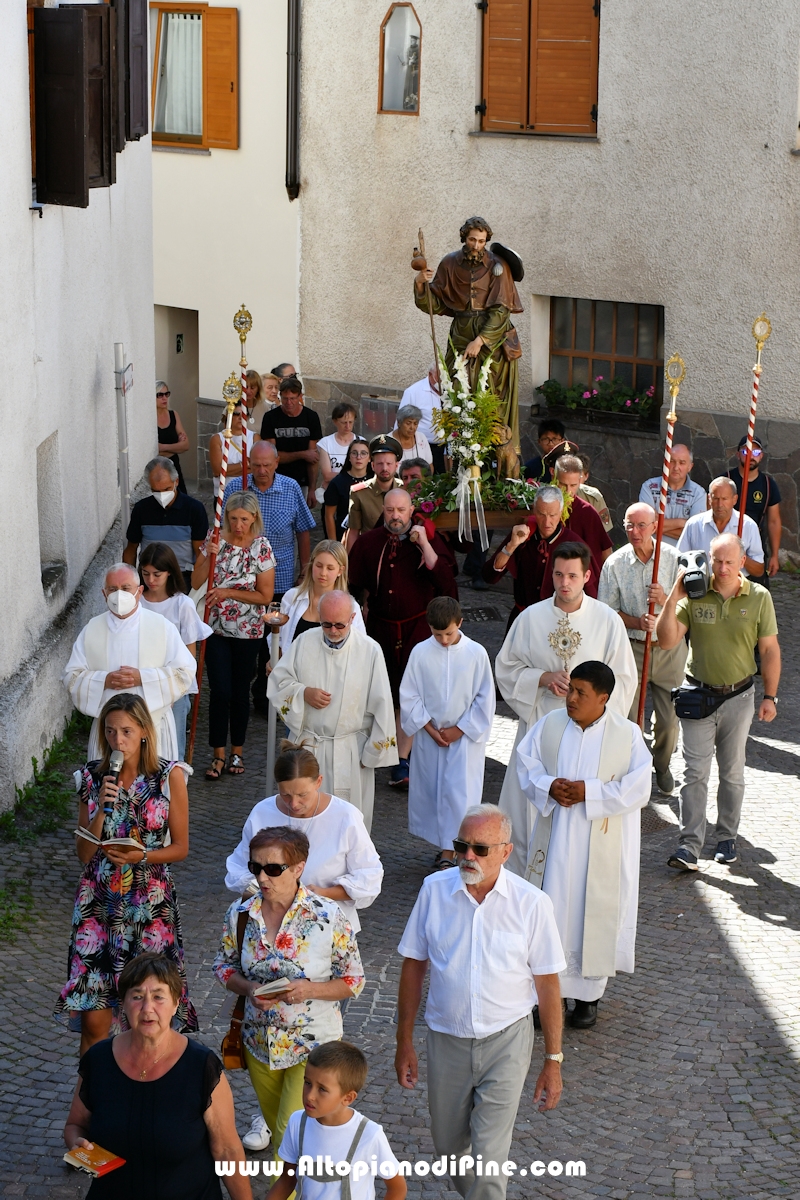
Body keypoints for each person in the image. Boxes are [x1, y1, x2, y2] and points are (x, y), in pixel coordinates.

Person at [395, 804, 565, 1200]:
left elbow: (548, 985)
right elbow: (413, 965)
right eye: (461, 846)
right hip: (446, 1039)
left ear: (506, 852)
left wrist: (553, 1060)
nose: (467, 856)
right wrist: (404, 1040)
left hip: (507, 1041)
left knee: (489, 1158)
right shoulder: (433, 891)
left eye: (480, 849)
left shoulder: (532, 904)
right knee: (449, 1149)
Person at [225, 744, 383, 1155]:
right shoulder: (263, 813)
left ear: (319, 783)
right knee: (275, 1075)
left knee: (312, 1055)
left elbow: (370, 877)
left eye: (302, 796)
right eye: (285, 795)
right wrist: (266, 890)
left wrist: (312, 894)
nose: (293, 805)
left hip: (321, 935)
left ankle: (304, 1131)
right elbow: (237, 867)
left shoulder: (345, 817)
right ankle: (278, 1120)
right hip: (268, 932)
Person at [214, 826, 365, 1165]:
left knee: (287, 1134)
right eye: (255, 867)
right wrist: (249, 988)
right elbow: (223, 967)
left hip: (312, 1047)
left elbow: (353, 979)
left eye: (273, 868)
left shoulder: (328, 915)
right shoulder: (240, 915)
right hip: (259, 1043)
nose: (262, 877)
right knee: (291, 1140)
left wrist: (307, 989)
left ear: (299, 867)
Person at [55, 696, 196, 1052]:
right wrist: (102, 807)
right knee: (94, 1020)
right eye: (111, 731)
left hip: (149, 905)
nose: (118, 740)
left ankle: (144, 1093)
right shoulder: (91, 776)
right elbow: (84, 853)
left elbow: (181, 847)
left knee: (149, 1017)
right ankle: (92, 1102)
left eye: (127, 731)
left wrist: (142, 854)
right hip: (98, 905)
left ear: (145, 732)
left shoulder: (169, 776)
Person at [516, 662, 652, 1029]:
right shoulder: (550, 724)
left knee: (591, 915)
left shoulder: (627, 735)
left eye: (581, 693)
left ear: (603, 699)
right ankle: (549, 993)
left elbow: (639, 788)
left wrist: (588, 792)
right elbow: (525, 764)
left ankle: (588, 997)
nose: (571, 697)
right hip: (556, 840)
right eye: (571, 689)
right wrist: (548, 785)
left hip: (602, 847)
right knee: (553, 911)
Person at [495, 543, 637, 876]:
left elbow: (624, 679)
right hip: (541, 722)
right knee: (531, 806)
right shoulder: (531, 617)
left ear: (587, 576)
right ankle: (525, 877)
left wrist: (594, 716)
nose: (565, 583)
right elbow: (506, 667)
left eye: (573, 575)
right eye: (559, 574)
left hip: (588, 733)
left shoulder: (607, 621)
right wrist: (541, 678)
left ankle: (570, 874)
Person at [64, 953, 251, 1200]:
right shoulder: (98, 1060)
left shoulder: (201, 1067)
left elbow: (227, 1151)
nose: (147, 1008)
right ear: (124, 1003)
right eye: (137, 996)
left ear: (175, 1003)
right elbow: (75, 1125)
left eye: (158, 997)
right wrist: (77, 1144)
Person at [655, 532, 780, 871]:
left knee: (732, 773)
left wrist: (770, 696)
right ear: (708, 559)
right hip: (697, 695)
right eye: (717, 561)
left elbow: (769, 650)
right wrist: (673, 596)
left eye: (729, 562)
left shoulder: (758, 596)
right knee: (694, 772)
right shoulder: (695, 593)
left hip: (740, 697)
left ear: (742, 561)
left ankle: (726, 837)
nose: (722, 569)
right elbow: (665, 641)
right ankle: (689, 846)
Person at [348, 489, 458, 788]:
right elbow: (352, 586)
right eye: (389, 511)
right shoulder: (370, 543)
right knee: (382, 692)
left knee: (413, 694)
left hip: (417, 630)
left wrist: (424, 544)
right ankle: (377, 748)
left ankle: (402, 759)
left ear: (411, 510)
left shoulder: (428, 541)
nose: (395, 516)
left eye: (401, 510)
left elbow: (447, 584)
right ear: (383, 511)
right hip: (380, 629)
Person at [268, 592, 397, 830]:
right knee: (303, 818)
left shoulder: (370, 650)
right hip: (308, 747)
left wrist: (371, 754)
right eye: (326, 624)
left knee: (346, 825)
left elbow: (383, 705)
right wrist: (303, 693)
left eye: (340, 624)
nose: (333, 631)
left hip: (350, 750)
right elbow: (278, 682)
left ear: (353, 618)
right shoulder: (304, 642)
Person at [63, 563, 196, 760]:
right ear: (103, 593)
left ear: (139, 591)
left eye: (125, 588)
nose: (119, 595)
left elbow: (184, 672)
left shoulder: (161, 627)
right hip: (108, 732)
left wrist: (142, 678)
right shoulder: (92, 629)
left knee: (151, 787)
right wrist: (105, 680)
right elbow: (72, 678)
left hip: (151, 726)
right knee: (108, 787)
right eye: (112, 589)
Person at [414, 215, 524, 452]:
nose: (476, 245)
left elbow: (501, 309)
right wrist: (421, 284)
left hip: (493, 338)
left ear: (487, 241)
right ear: (464, 237)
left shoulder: (499, 266)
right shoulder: (450, 264)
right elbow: (438, 305)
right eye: (472, 239)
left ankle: (494, 451)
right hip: (461, 332)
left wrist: (481, 340)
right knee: (458, 390)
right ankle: (462, 450)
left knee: (491, 395)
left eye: (481, 241)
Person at [400, 597, 495, 870]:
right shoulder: (420, 652)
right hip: (431, 738)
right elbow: (410, 694)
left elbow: (484, 698)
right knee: (432, 792)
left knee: (459, 794)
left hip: (463, 740)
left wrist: (458, 730)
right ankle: (444, 845)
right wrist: (429, 728)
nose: (442, 640)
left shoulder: (476, 654)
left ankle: (454, 849)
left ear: (460, 623)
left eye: (449, 633)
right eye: (437, 633)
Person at [598, 502, 686, 795]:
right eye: (630, 526)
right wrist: (637, 620)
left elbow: (689, 606)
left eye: (641, 526)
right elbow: (606, 611)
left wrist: (664, 599)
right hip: (632, 649)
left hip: (668, 649)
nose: (635, 532)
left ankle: (661, 765)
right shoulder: (615, 564)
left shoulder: (673, 559)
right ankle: (632, 771)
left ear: (654, 527)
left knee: (669, 722)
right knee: (628, 718)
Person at [223, 440, 316, 710]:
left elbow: (303, 529)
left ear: (276, 463)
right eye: (256, 465)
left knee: (271, 639)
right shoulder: (234, 487)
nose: (261, 470)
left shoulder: (290, 488)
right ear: (249, 464)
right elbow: (222, 532)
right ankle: (238, 691)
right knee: (240, 638)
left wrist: (305, 568)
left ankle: (265, 695)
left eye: (267, 465)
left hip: (281, 576)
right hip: (239, 578)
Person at [191, 491, 276, 779]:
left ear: (254, 518)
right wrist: (207, 555)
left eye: (244, 519)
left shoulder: (261, 547)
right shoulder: (215, 538)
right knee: (220, 691)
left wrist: (228, 591)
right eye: (233, 518)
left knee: (240, 692)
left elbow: (265, 595)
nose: (238, 525)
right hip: (214, 628)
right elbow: (196, 580)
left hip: (248, 631)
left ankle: (237, 750)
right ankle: (217, 753)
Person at [267, 1041, 405, 1200]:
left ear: (348, 1098)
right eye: (307, 1083)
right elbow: (287, 1180)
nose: (310, 1095)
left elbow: (397, 1189)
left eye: (322, 1089)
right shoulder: (297, 1123)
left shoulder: (369, 1135)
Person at [139, 541, 212, 763]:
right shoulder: (136, 602)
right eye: (145, 574)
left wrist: (177, 689)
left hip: (173, 684)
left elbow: (190, 655)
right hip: (142, 680)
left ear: (170, 573)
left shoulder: (182, 604)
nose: (150, 580)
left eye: (156, 574)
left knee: (172, 747)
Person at [482, 484, 598, 623]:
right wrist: (511, 546)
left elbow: (591, 595)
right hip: (524, 620)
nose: (547, 522)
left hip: (559, 622)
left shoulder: (575, 543)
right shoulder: (521, 536)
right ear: (534, 511)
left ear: (561, 512)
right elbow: (489, 576)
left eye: (552, 515)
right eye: (541, 514)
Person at [123, 456, 209, 594]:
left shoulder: (194, 509)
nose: (162, 495)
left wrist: (198, 585)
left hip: (182, 579)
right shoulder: (141, 509)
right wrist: (129, 583)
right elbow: (131, 549)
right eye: (156, 491)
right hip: (149, 580)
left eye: (166, 489)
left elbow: (200, 552)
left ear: (176, 482)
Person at [277, 540, 366, 652]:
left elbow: (360, 647)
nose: (323, 573)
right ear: (312, 564)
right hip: (293, 667)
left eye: (330, 568)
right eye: (319, 566)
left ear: (340, 570)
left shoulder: (351, 606)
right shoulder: (291, 597)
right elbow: (277, 636)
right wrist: (276, 659)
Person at [677, 476, 763, 576]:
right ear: (709, 498)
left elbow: (759, 570)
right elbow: (679, 561)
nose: (720, 504)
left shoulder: (748, 526)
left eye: (724, 499)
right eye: (716, 498)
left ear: (734, 499)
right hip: (702, 587)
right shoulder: (694, 524)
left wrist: (739, 556)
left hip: (736, 588)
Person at [728, 434, 783, 583]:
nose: (751, 456)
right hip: (727, 542)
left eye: (756, 452)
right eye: (746, 452)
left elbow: (774, 521)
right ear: (738, 454)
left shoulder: (768, 485)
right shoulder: (725, 480)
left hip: (755, 546)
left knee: (757, 594)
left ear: (761, 456)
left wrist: (774, 555)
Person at [260, 375, 322, 503]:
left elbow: (313, 458)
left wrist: (312, 489)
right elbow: (271, 457)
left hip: (302, 480)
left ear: (300, 397)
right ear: (280, 396)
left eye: (293, 398)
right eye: (285, 398)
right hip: (277, 479)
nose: (289, 403)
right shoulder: (270, 418)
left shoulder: (311, 417)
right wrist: (302, 454)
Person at [638, 444, 706, 547]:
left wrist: (654, 526)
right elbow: (643, 524)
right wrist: (681, 523)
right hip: (652, 553)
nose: (676, 467)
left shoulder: (698, 494)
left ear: (690, 467)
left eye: (682, 463)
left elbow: (694, 533)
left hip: (682, 556)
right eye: (672, 461)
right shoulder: (649, 487)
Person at [552, 453, 613, 567]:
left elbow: (606, 551)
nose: (568, 491)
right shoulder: (545, 505)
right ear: (554, 477)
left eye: (573, 485)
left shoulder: (587, 511)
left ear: (580, 480)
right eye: (562, 485)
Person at [345, 434, 403, 548]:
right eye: (380, 464)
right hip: (370, 550)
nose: (385, 468)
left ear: (396, 465)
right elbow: (353, 532)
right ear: (372, 465)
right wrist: (351, 562)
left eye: (389, 464)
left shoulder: (405, 490)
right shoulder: (359, 493)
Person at [323, 438, 371, 541]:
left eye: (363, 453)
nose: (359, 457)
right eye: (354, 453)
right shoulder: (337, 482)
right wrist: (333, 543)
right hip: (344, 536)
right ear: (349, 457)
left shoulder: (375, 480)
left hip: (370, 536)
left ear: (370, 458)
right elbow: (329, 516)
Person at [401, 363, 445, 472]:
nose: (442, 382)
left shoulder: (450, 389)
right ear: (430, 375)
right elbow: (402, 421)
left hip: (446, 449)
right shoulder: (413, 392)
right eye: (439, 378)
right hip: (423, 447)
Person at [209, 401, 255, 499]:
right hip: (225, 492)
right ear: (228, 416)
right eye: (236, 414)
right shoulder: (217, 439)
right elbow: (218, 471)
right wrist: (245, 465)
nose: (240, 417)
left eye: (244, 414)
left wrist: (229, 470)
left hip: (248, 492)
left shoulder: (255, 437)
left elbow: (256, 468)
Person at [155, 380, 189, 494]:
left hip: (174, 467)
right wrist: (175, 447)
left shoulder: (173, 415)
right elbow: (152, 451)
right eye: (160, 395)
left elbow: (185, 445)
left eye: (166, 394)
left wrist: (162, 448)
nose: (164, 398)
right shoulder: (150, 420)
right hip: (157, 469)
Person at [316, 401, 358, 487]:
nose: (347, 426)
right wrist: (353, 475)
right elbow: (327, 475)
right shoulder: (326, 443)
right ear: (335, 421)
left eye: (350, 422)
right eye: (344, 422)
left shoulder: (360, 441)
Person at [576, 452, 613, 533]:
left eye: (579, 475)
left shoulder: (593, 497)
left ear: (586, 476)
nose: (574, 478)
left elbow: (604, 530)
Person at [523, 417, 567, 482]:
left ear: (562, 441)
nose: (551, 444)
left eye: (555, 439)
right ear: (539, 442)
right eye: (546, 439)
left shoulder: (568, 466)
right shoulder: (529, 467)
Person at [244, 368, 269, 436]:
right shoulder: (233, 406)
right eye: (246, 387)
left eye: (252, 388)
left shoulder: (264, 407)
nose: (248, 391)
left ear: (258, 388)